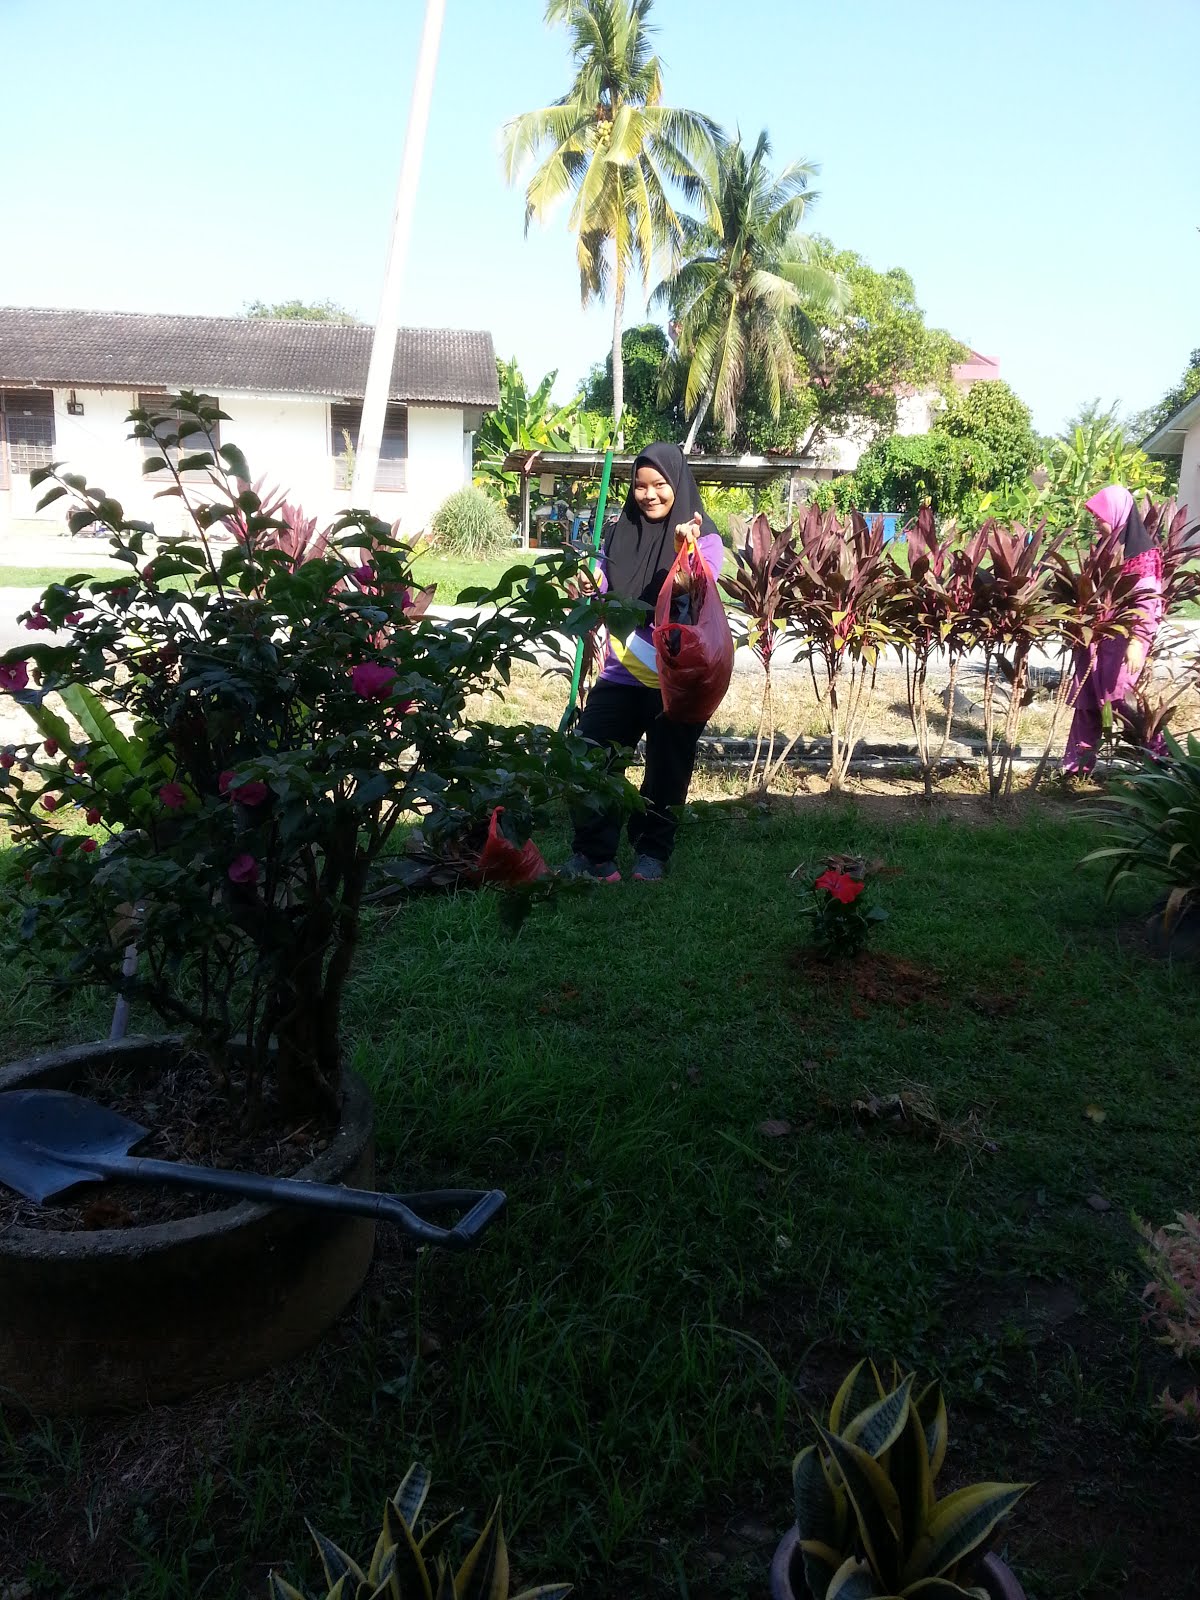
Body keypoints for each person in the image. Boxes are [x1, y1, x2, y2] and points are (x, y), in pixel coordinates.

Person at [562, 442, 725, 883]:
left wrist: (683, 552)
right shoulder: (619, 534)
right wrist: (590, 583)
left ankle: (653, 850)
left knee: (667, 769)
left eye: (659, 485)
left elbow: (696, 592)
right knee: (591, 755)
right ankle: (593, 854)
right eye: (640, 486)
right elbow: (603, 587)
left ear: (678, 484)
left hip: (678, 680)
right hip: (623, 673)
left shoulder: (705, 538)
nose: (649, 495)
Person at [1062, 485, 1165, 776]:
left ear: (1119, 514)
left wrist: (1137, 641)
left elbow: (1147, 602)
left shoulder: (1141, 555)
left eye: (1101, 516)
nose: (1096, 522)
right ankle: (1077, 768)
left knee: (1118, 700)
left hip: (1123, 640)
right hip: (1095, 638)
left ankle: (1159, 759)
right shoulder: (1104, 550)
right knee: (1086, 702)